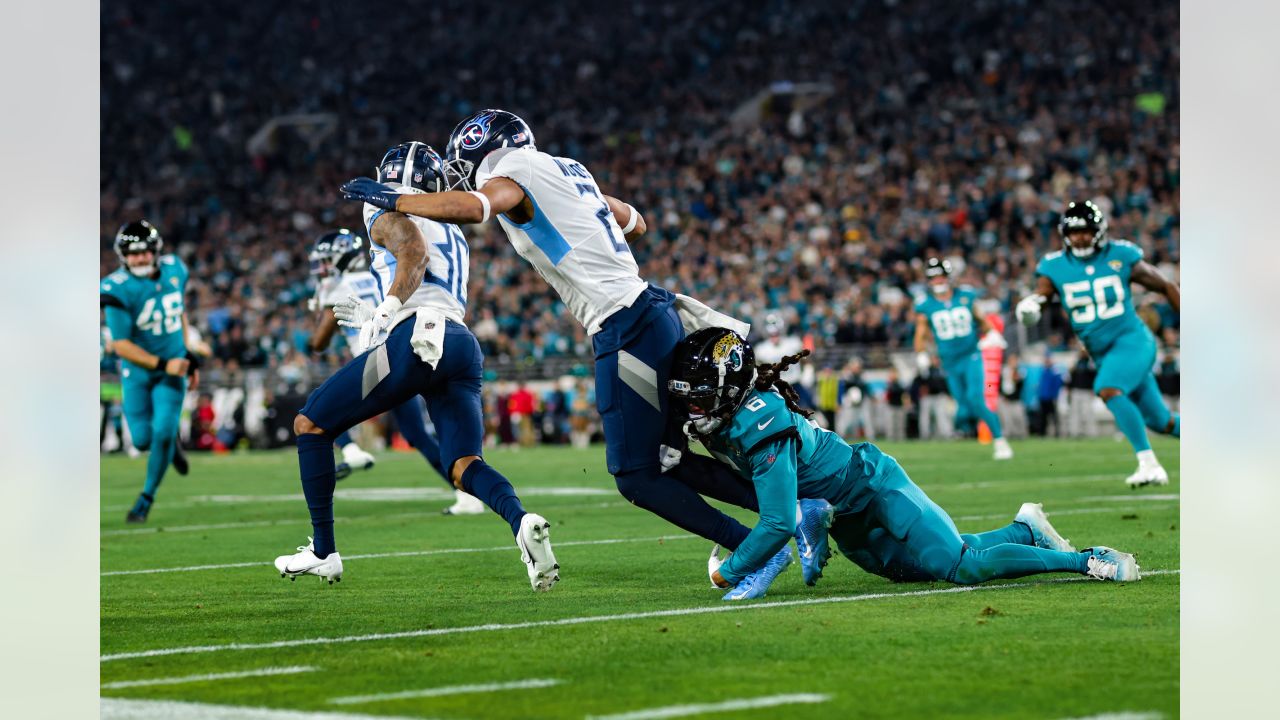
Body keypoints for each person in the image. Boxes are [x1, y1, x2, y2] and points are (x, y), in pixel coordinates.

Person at [340, 110, 801, 584]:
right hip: (650, 309)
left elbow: (478, 207)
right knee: (671, 458)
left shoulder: (514, 171)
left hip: (625, 325)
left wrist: (397, 197)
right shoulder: (566, 168)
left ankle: (753, 548)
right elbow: (635, 222)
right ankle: (792, 511)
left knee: (636, 475)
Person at [667, 328, 1141, 601]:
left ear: (730, 388)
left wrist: (728, 571)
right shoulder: (725, 412)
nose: (694, 408)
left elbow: (774, 521)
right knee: (925, 565)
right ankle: (1023, 529)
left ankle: (1086, 560)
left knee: (957, 566)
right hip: (844, 515)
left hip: (871, 486)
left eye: (702, 396)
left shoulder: (758, 417)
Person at [275, 142, 557, 590]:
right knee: (463, 463)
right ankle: (521, 520)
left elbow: (413, 251)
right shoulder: (453, 226)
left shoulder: (381, 209)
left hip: (417, 337)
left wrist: (386, 310)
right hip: (460, 343)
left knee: (310, 424)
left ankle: (324, 551)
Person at [307, 228, 483, 515]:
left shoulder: (338, 286)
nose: (323, 268)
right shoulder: (378, 275)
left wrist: (319, 312)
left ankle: (351, 452)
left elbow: (318, 342)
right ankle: (466, 493)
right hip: (400, 355)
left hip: (378, 362)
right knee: (417, 434)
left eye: (326, 260)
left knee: (317, 410)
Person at [1016, 201, 1180, 486]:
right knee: (1160, 421)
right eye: (1074, 231)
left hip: (1132, 341)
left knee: (1108, 389)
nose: (1080, 237)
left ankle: (1149, 463)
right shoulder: (1054, 266)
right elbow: (1043, 294)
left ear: (1099, 231)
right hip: (1103, 353)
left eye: (1086, 231)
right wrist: (1033, 304)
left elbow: (1166, 286)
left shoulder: (1120, 255)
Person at [100, 220, 203, 523]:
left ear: (155, 251)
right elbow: (120, 345)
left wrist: (188, 355)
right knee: (143, 439)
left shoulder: (176, 270)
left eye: (145, 252)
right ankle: (170, 444)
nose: (140, 259)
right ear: (123, 256)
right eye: (133, 254)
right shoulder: (116, 288)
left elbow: (178, 313)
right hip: (139, 371)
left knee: (160, 432)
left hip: (173, 369)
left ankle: (146, 498)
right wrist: (163, 364)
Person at [913, 258, 1013, 459]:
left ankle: (1000, 441)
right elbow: (921, 333)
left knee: (976, 399)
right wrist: (921, 353)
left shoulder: (966, 296)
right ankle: (964, 429)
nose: (937, 281)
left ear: (949, 278)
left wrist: (992, 333)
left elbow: (982, 321)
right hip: (949, 362)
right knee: (963, 406)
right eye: (933, 278)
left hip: (971, 356)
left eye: (940, 277)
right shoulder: (926, 306)